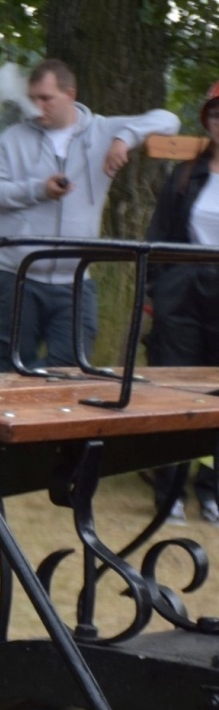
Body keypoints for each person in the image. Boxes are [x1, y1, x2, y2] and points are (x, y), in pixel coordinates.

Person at [0, 59, 178, 371]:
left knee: (70, 370)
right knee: (16, 371)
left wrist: (124, 140)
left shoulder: (103, 130)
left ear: (70, 94)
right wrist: (38, 189)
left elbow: (168, 120)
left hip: (75, 278)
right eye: (33, 98)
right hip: (15, 275)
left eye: (46, 98)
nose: (37, 106)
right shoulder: (13, 139)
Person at [144, 81, 219, 524]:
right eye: (214, 112)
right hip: (183, 291)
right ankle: (168, 490)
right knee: (173, 391)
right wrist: (157, 290)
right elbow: (157, 238)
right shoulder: (186, 175)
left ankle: (210, 490)